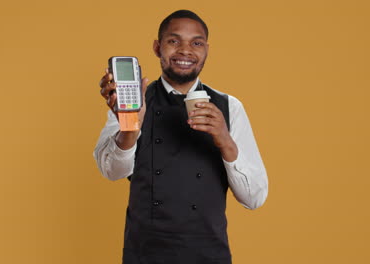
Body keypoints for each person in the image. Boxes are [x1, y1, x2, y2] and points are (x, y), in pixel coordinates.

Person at [94, 10, 268, 264]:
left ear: (206, 50)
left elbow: (254, 199)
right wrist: (130, 126)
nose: (185, 51)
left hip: (209, 254)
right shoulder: (132, 103)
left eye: (196, 43)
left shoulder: (230, 107)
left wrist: (224, 139)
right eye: (174, 41)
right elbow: (112, 171)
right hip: (145, 254)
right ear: (157, 47)